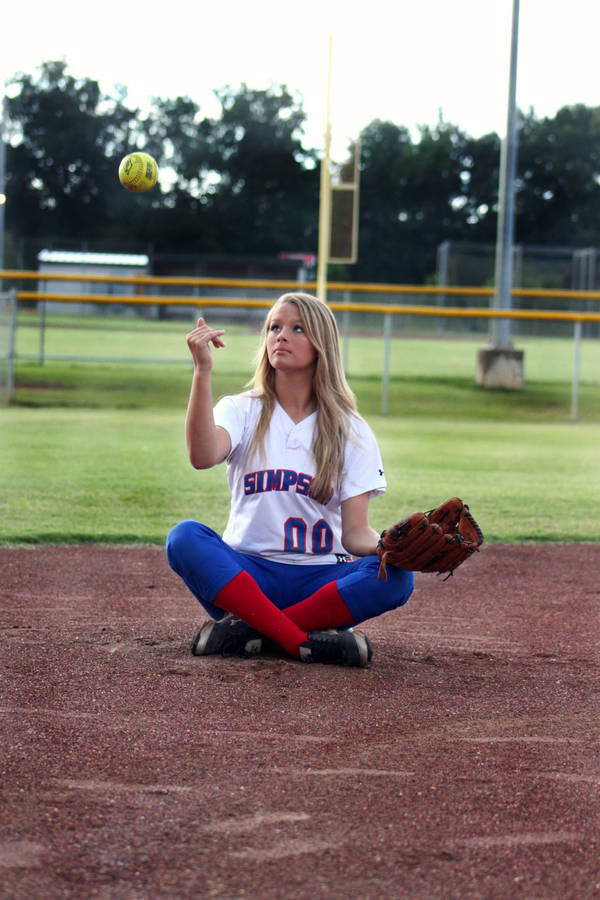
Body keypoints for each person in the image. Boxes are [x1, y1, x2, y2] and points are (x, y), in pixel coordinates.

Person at [166, 292, 414, 667]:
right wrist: (202, 371)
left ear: (321, 345)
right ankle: (300, 639)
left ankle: (249, 630)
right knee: (184, 538)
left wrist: (390, 548)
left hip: (321, 580)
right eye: (274, 327)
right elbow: (201, 456)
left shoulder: (351, 429)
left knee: (397, 577)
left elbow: (354, 535)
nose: (281, 336)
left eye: (298, 329)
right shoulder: (242, 409)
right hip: (248, 575)